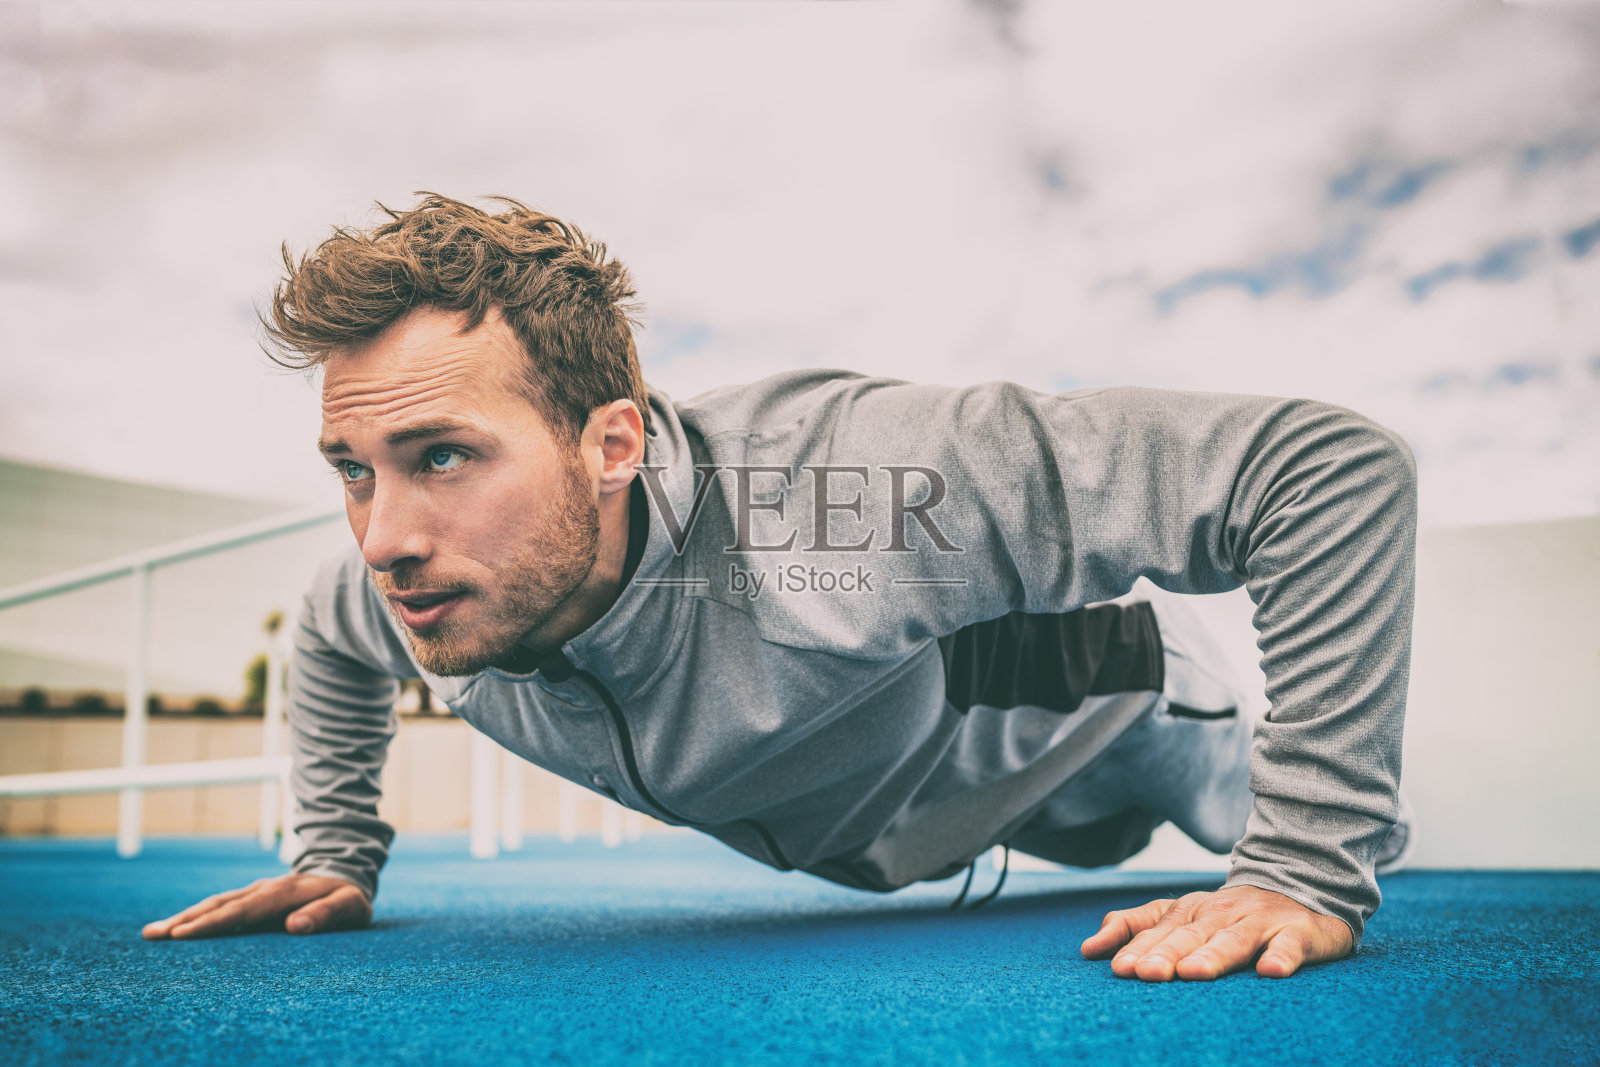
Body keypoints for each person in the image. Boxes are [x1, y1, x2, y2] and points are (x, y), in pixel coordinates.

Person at [142, 193, 1418, 983]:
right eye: (352, 470)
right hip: (910, 811)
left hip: (1115, 708)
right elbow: (327, 637)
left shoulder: (843, 492)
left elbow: (1323, 470)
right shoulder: (432, 588)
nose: (383, 538)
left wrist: (1305, 863)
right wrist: (335, 850)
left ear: (611, 445)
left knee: (1333, 885)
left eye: (442, 457)